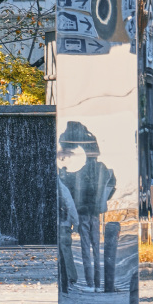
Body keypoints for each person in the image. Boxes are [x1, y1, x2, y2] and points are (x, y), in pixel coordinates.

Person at [58, 121, 115, 290]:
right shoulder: (98, 163)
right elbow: (111, 183)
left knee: (86, 249)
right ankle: (97, 283)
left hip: (83, 209)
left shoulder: (72, 146)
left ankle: (91, 282)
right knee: (96, 248)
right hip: (94, 209)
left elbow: (67, 187)